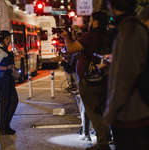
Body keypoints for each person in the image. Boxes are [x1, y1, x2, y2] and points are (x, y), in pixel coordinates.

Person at [60, 11, 111, 150]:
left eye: (90, 21)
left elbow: (71, 49)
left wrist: (66, 37)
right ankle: (106, 137)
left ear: (95, 23)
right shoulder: (107, 36)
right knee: (101, 109)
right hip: (103, 77)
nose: (88, 23)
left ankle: (102, 143)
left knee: (93, 111)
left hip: (89, 79)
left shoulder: (90, 36)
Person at [103, 0, 149, 150]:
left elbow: (127, 77)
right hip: (135, 112)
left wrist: (111, 111)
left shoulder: (129, 31)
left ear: (112, 6)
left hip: (130, 114)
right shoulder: (134, 27)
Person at [0, 30, 19, 135]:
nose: (9, 40)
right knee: (4, 102)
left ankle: (6, 125)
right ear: (2, 39)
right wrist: (6, 67)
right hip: (1, 79)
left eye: (9, 38)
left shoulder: (6, 50)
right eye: (7, 38)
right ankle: (2, 127)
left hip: (7, 79)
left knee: (13, 101)